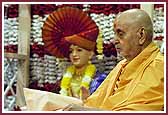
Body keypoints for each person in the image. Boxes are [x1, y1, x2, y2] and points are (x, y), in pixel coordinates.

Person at [63, 9, 164, 111]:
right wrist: (85, 104)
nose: (114, 40)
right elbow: (96, 103)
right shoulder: (121, 66)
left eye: (120, 34)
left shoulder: (159, 68)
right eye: (114, 34)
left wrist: (87, 111)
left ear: (141, 35)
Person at [42, 6, 106, 101]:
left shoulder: (100, 80)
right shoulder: (63, 80)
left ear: (90, 54)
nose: (74, 54)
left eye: (79, 50)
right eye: (71, 51)